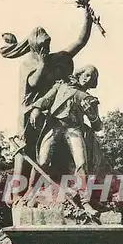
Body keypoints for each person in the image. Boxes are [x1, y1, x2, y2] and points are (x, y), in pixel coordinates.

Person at [0, 8, 93, 201]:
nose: (47, 48)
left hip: (49, 113)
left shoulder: (55, 59)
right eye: (43, 45)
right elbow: (33, 83)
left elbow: (80, 42)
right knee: (25, 152)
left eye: (48, 44)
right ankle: (17, 193)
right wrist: (42, 63)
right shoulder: (28, 64)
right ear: (35, 46)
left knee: (50, 154)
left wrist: (88, 18)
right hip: (29, 114)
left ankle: (52, 190)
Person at [27, 65, 102, 216]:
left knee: (81, 163)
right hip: (54, 126)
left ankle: (85, 202)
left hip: (74, 129)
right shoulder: (61, 86)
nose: (88, 79)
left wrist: (91, 114)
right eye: (86, 75)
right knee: (42, 161)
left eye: (91, 77)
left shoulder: (89, 99)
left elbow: (98, 125)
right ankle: (30, 192)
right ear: (80, 74)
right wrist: (36, 109)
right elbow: (46, 99)